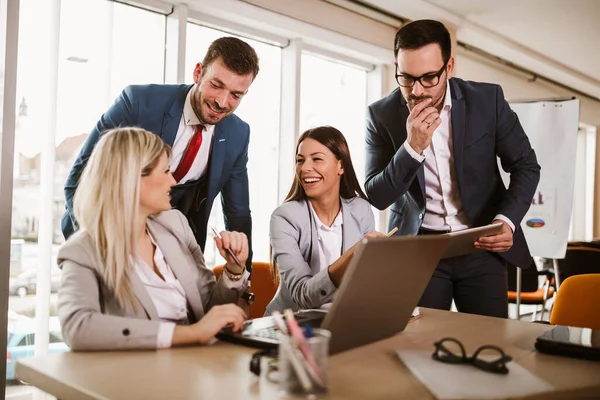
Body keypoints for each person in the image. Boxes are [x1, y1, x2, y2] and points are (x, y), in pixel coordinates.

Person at [365, 19, 541, 318]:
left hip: (481, 245)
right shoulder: (380, 115)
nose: (417, 90)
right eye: (406, 78)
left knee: (488, 346)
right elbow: (377, 195)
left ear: (449, 67)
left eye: (429, 77)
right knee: (419, 347)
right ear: (396, 65)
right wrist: (412, 147)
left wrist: (506, 221)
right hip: (419, 251)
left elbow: (525, 165)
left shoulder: (487, 100)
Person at [62, 37, 259, 271]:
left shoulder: (238, 134)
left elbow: (238, 214)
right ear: (198, 73)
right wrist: (97, 257)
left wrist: (244, 284)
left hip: (176, 253)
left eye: (236, 95)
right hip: (107, 239)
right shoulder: (138, 103)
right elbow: (80, 179)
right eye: (216, 85)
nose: (222, 102)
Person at [58, 128, 249, 351]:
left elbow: (208, 310)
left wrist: (234, 271)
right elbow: (77, 328)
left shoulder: (175, 224)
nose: (174, 181)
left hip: (197, 370)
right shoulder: (83, 250)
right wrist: (189, 333)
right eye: (166, 171)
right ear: (133, 179)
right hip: (139, 379)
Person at [265, 126, 383, 315]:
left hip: (344, 320)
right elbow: (302, 296)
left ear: (341, 166)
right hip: (294, 325)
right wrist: (350, 258)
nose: (304, 168)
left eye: (317, 159)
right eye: (300, 160)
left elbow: (363, 284)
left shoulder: (361, 209)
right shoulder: (284, 217)